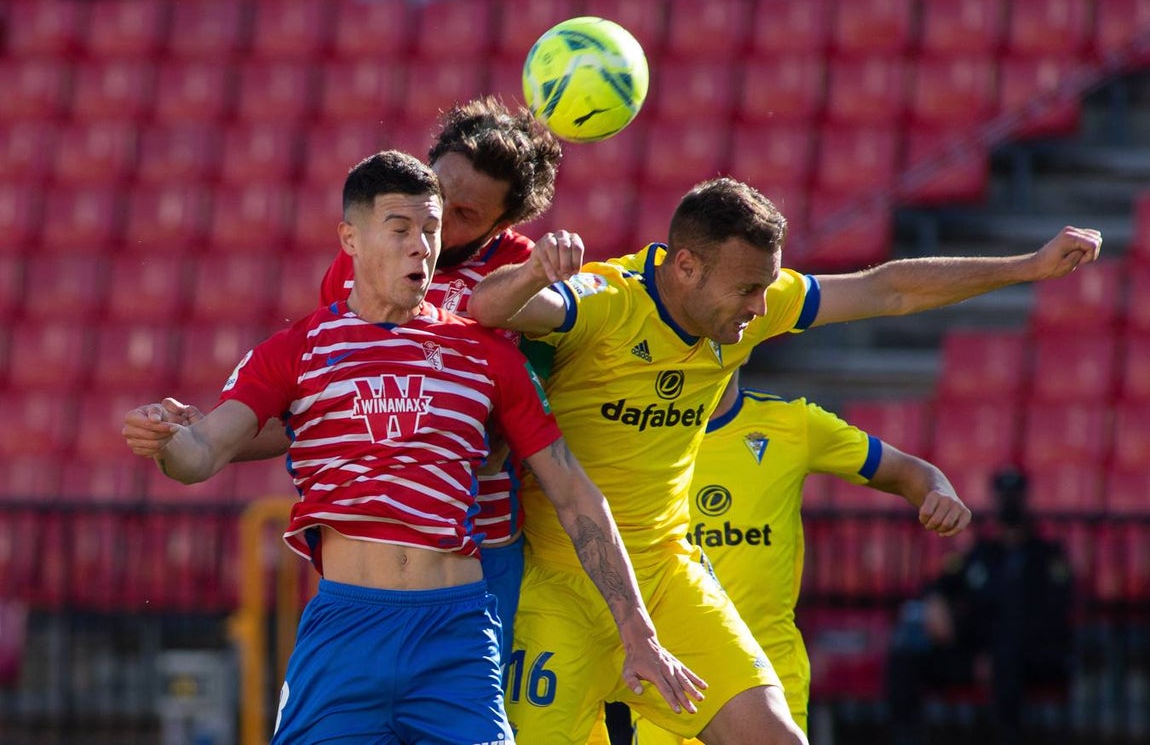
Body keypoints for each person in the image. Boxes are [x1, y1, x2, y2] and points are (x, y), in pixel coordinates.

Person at [465, 175, 1101, 744]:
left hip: (664, 573)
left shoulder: (746, 315)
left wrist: (1028, 267)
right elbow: (489, 306)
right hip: (558, 585)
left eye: (767, 287)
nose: (762, 309)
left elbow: (889, 291)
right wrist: (534, 272)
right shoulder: (607, 300)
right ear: (685, 267)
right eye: (747, 289)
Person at [122, 151, 703, 744]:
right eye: (400, 230)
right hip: (346, 631)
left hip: (456, 636)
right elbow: (202, 455)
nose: (421, 247)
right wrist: (166, 441)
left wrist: (639, 633)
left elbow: (577, 497)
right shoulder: (297, 350)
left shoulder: (486, 355)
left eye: (431, 231)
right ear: (350, 238)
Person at [130, 95, 562, 666]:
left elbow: (520, 413)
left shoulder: (524, 273)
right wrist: (207, 435)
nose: (441, 221)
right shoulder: (358, 268)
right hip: (373, 566)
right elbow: (334, 405)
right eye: (440, 192)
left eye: (465, 216)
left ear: (502, 225)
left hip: (481, 543)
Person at [625, 367, 971, 744]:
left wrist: (939, 490)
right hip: (672, 676)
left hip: (770, 673)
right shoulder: (638, 435)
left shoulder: (792, 424)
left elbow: (906, 470)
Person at [885, 467, 1074, 745]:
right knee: (906, 658)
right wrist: (935, 604)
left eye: (1015, 496)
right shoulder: (981, 554)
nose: (1009, 503)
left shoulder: (1046, 556)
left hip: (1030, 656)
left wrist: (999, 652)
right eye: (1003, 496)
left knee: (1007, 661)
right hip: (975, 651)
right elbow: (939, 586)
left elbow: (1053, 614)